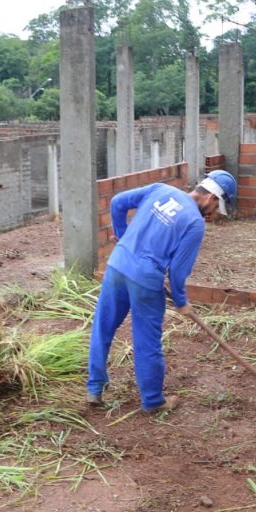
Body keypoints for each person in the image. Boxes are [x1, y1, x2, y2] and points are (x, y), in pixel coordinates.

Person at [86, 169, 237, 414]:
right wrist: (180, 300)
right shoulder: (195, 224)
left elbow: (117, 202)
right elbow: (178, 272)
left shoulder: (161, 189)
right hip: (145, 279)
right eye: (215, 208)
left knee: (103, 327)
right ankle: (153, 401)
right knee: (147, 341)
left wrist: (124, 238)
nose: (212, 215)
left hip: (117, 265)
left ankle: (94, 388)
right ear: (211, 198)